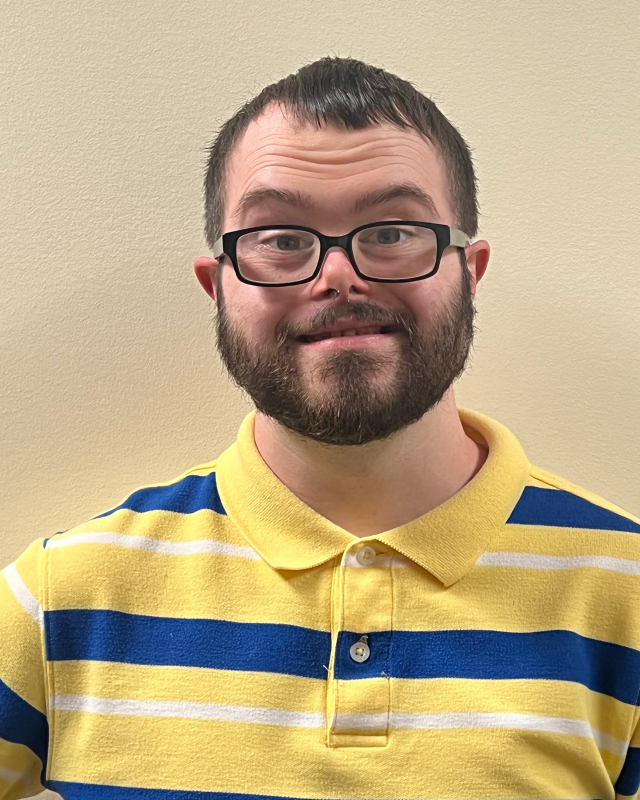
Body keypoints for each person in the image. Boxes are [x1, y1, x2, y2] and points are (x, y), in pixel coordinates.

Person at [1, 56, 639, 800]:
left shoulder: (626, 593)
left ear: (471, 271)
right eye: (280, 238)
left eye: (393, 230)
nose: (337, 275)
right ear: (218, 287)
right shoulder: (61, 596)